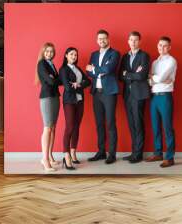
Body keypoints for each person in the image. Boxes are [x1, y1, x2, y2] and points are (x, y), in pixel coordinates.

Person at [85, 29, 120, 164]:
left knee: (110, 123)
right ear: (97, 40)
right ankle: (101, 152)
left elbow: (109, 69)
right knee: (99, 123)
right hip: (96, 93)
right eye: (100, 39)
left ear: (108, 39)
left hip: (109, 92)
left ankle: (112, 154)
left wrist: (94, 69)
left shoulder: (114, 53)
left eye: (104, 38)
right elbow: (89, 73)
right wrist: (97, 71)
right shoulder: (94, 54)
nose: (102, 41)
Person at [145, 36, 178, 168]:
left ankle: (169, 157)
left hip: (165, 96)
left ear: (169, 47)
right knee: (155, 127)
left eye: (164, 46)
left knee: (167, 127)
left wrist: (155, 78)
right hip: (154, 97)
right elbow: (150, 80)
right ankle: (158, 153)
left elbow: (161, 77)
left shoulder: (172, 61)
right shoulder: (154, 62)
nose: (162, 48)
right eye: (160, 45)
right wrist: (156, 79)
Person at [119, 31, 150, 163]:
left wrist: (128, 74)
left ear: (139, 41)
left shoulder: (144, 56)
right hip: (127, 95)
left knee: (138, 123)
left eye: (136, 40)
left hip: (139, 94)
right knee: (131, 124)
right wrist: (132, 74)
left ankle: (138, 154)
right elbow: (120, 75)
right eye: (131, 40)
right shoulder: (125, 57)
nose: (133, 42)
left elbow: (142, 75)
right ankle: (133, 152)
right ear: (128, 41)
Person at [59, 47, 91, 170]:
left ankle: (73, 153)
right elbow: (67, 87)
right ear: (66, 55)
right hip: (69, 101)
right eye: (71, 54)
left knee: (77, 126)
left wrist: (78, 84)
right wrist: (80, 85)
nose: (74, 57)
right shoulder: (63, 69)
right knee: (70, 127)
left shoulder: (77, 69)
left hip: (80, 101)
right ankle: (66, 155)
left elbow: (88, 81)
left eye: (75, 55)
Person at [36, 42, 61, 172]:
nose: (49, 54)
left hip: (55, 96)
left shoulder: (52, 64)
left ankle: (50, 156)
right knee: (47, 128)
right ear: (43, 52)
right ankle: (44, 159)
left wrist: (54, 79)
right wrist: (54, 79)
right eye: (47, 51)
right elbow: (52, 81)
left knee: (53, 128)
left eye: (51, 52)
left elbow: (58, 80)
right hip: (47, 98)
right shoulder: (42, 64)